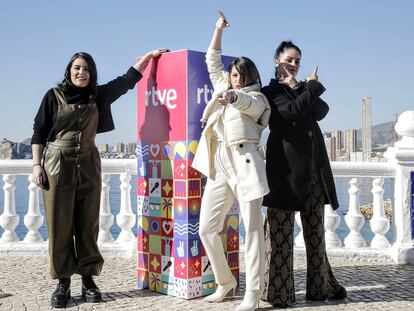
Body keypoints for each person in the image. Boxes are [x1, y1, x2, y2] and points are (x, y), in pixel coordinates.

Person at [31, 48, 167, 308]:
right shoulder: (54, 95)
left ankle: (88, 279)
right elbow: (39, 130)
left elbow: (127, 80)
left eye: (86, 69)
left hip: (89, 163)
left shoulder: (98, 95)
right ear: (69, 71)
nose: (82, 73)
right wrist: (37, 165)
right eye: (77, 68)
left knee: (88, 223)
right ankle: (63, 283)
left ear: (92, 73)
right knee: (59, 225)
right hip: (57, 163)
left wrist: (149, 57)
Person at [192, 12, 270, 311]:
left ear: (251, 77)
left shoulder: (258, 98)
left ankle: (253, 292)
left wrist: (232, 97)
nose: (235, 79)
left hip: (246, 163)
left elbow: (248, 105)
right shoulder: (222, 87)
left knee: (251, 231)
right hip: (221, 163)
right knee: (207, 229)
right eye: (233, 74)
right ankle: (225, 282)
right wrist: (218, 29)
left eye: (241, 75)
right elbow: (212, 59)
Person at [261, 41, 347, 308]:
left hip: (312, 172)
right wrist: (307, 88)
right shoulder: (270, 91)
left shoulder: (300, 90)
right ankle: (278, 293)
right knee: (281, 237)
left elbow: (321, 111)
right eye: (289, 59)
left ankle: (320, 288)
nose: (294, 64)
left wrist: (302, 87)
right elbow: (293, 111)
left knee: (316, 235)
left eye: (298, 60)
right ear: (277, 61)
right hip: (284, 173)